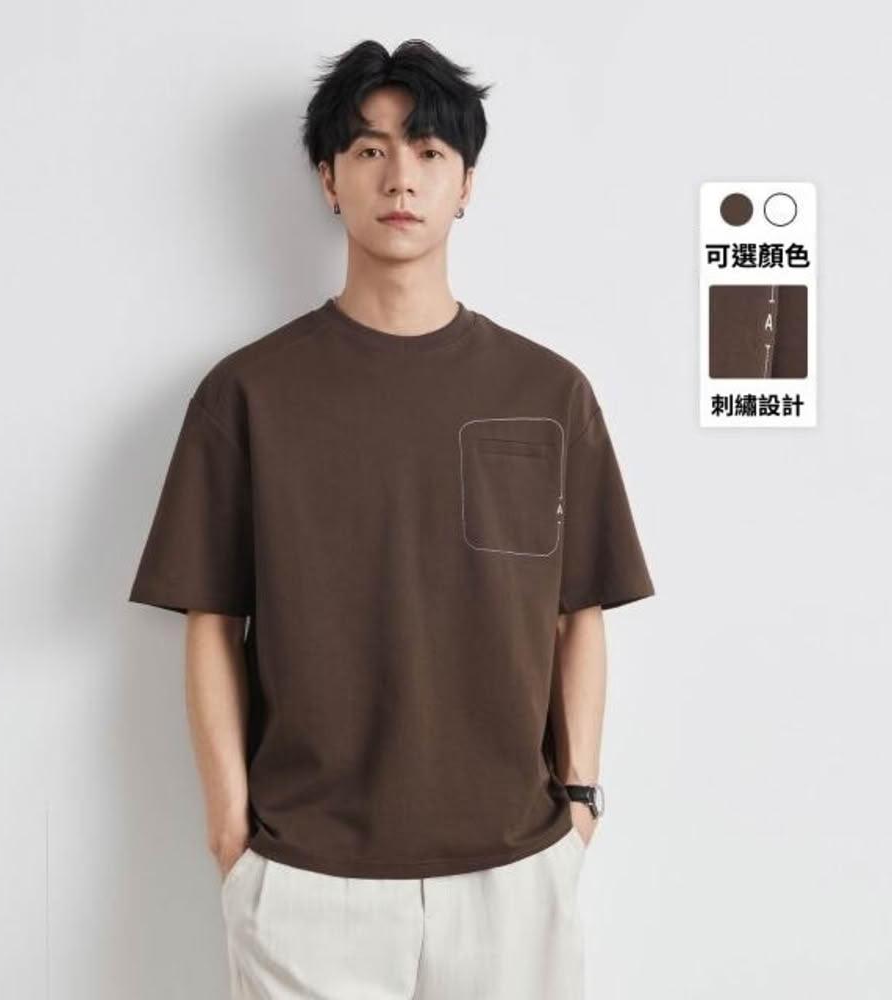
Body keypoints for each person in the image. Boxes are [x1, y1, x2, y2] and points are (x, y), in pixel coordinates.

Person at [129, 37, 655, 999]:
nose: (400, 177)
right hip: (303, 875)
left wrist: (579, 802)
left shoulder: (548, 391)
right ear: (329, 180)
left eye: (429, 151)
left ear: (467, 184)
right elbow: (211, 619)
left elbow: (581, 610)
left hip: (515, 869)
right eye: (370, 150)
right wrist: (230, 832)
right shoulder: (248, 394)